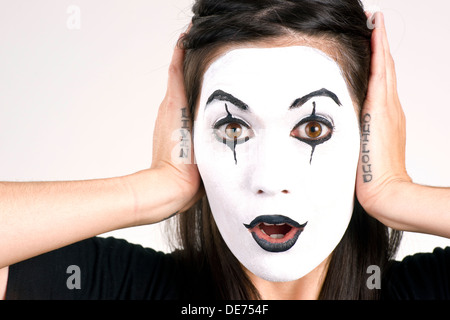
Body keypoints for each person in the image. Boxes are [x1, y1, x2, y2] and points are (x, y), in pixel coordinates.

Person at [1, 0, 450, 300]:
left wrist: (395, 190)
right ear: (192, 135)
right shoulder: (123, 288)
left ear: (368, 131)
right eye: (233, 127)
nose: (269, 180)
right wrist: (155, 187)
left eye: (313, 128)